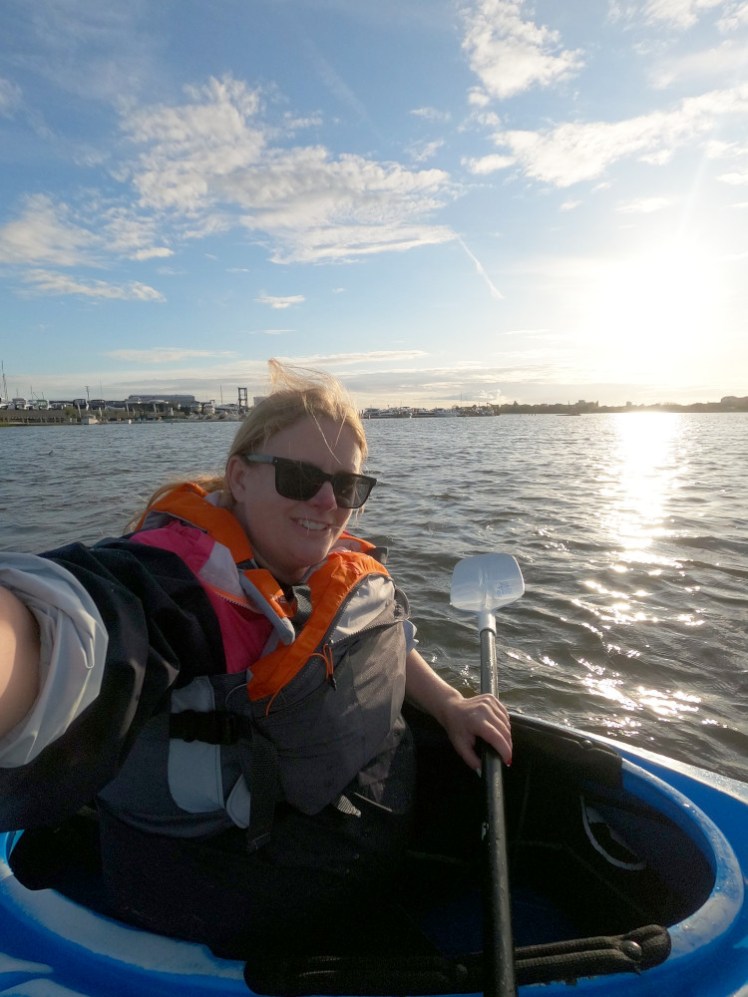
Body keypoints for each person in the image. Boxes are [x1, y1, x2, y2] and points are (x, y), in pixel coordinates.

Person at [0, 360, 511, 959]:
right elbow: (73, 624)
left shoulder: (306, 555)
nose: (326, 502)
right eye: (298, 477)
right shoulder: (186, 582)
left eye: (347, 488)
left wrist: (450, 704)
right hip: (208, 883)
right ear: (238, 478)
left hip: (274, 832)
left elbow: (378, 635)